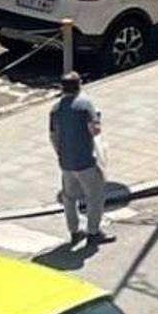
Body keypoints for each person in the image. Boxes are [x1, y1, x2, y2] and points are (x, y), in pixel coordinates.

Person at [49, 72, 114, 247]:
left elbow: (53, 136)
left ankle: (74, 232)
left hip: (66, 163)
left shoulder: (55, 108)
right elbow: (95, 130)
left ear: (62, 87)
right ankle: (93, 232)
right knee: (95, 197)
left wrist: (61, 154)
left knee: (69, 199)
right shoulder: (86, 105)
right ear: (80, 85)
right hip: (86, 161)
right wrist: (97, 117)